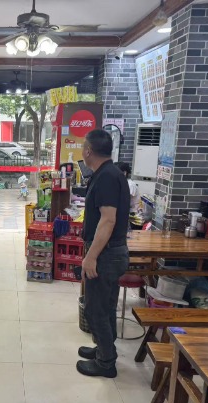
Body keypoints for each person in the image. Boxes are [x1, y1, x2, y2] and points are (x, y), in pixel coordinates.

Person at [77, 129, 130, 379]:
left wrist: (91, 256)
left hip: (106, 254)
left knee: (95, 309)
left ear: (89, 151)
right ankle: (104, 350)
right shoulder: (109, 173)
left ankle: (106, 362)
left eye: (83, 147)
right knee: (105, 306)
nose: (82, 151)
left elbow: (108, 220)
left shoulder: (107, 177)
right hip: (110, 252)